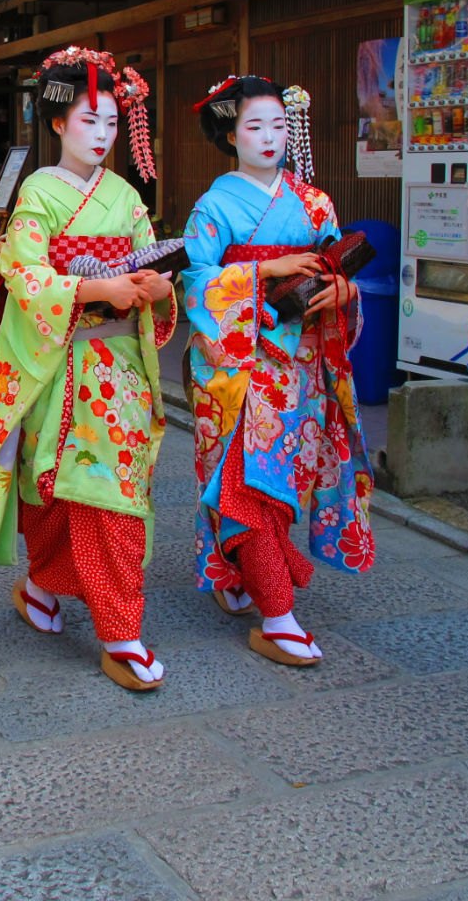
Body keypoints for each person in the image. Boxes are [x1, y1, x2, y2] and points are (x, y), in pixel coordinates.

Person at [0, 46, 176, 691]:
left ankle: (86, 611)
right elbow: (21, 273)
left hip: (121, 365)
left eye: (112, 123)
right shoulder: (40, 193)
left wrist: (159, 287)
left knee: (113, 493)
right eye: (89, 122)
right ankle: (98, 620)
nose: (103, 136)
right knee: (59, 489)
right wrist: (93, 291)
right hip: (60, 361)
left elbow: (152, 260)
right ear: (58, 125)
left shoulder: (126, 195)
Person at [180, 75, 376, 667]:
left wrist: (342, 291)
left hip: (304, 369)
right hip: (242, 370)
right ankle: (278, 616)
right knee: (246, 485)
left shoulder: (314, 203)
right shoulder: (213, 207)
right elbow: (194, 281)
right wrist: (267, 272)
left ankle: (244, 568)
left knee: (281, 484)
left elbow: (343, 265)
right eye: (254, 126)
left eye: (278, 125)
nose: (269, 137)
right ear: (229, 134)